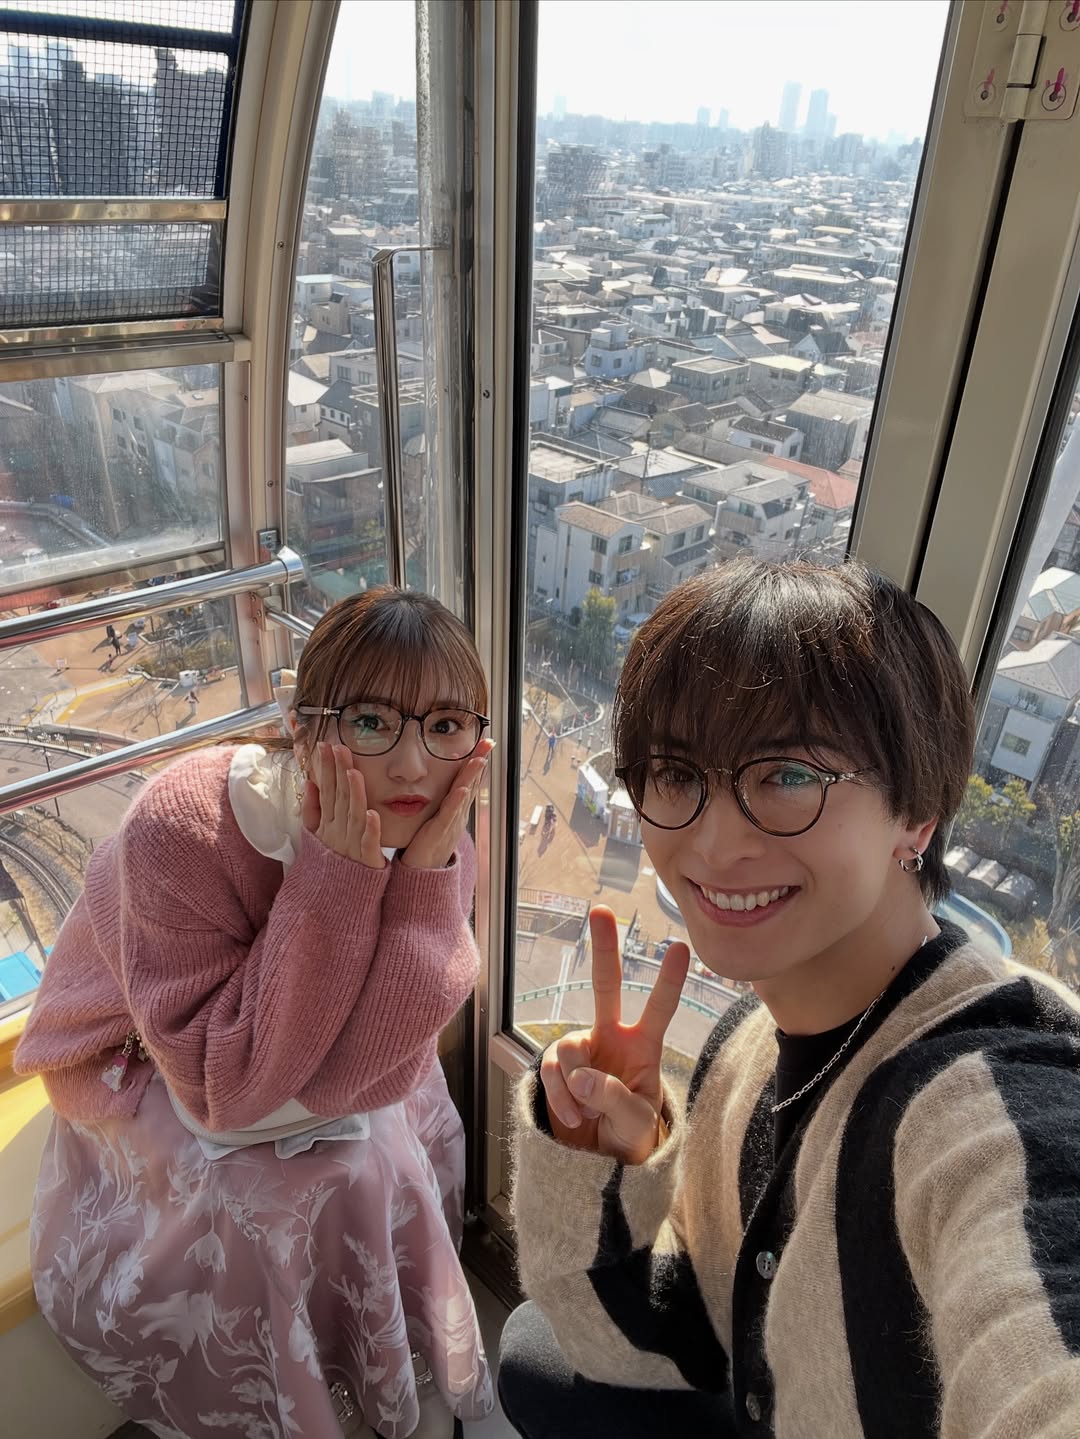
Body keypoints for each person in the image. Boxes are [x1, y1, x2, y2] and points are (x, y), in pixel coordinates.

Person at [500, 558, 1080, 1438]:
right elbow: (675, 1335)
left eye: (787, 775)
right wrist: (608, 1170)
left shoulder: (993, 1098)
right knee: (530, 1349)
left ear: (917, 813)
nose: (712, 843)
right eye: (676, 773)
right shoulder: (749, 1047)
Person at [15, 586, 498, 1439]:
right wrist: (336, 880)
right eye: (371, 721)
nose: (413, 765)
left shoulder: (440, 825)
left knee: (373, 1151)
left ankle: (366, 1361)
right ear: (300, 727)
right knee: (272, 1195)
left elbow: (380, 1065)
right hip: (143, 1052)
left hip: (267, 1048)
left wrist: (423, 884)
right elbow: (226, 1092)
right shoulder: (184, 826)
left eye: (446, 724)